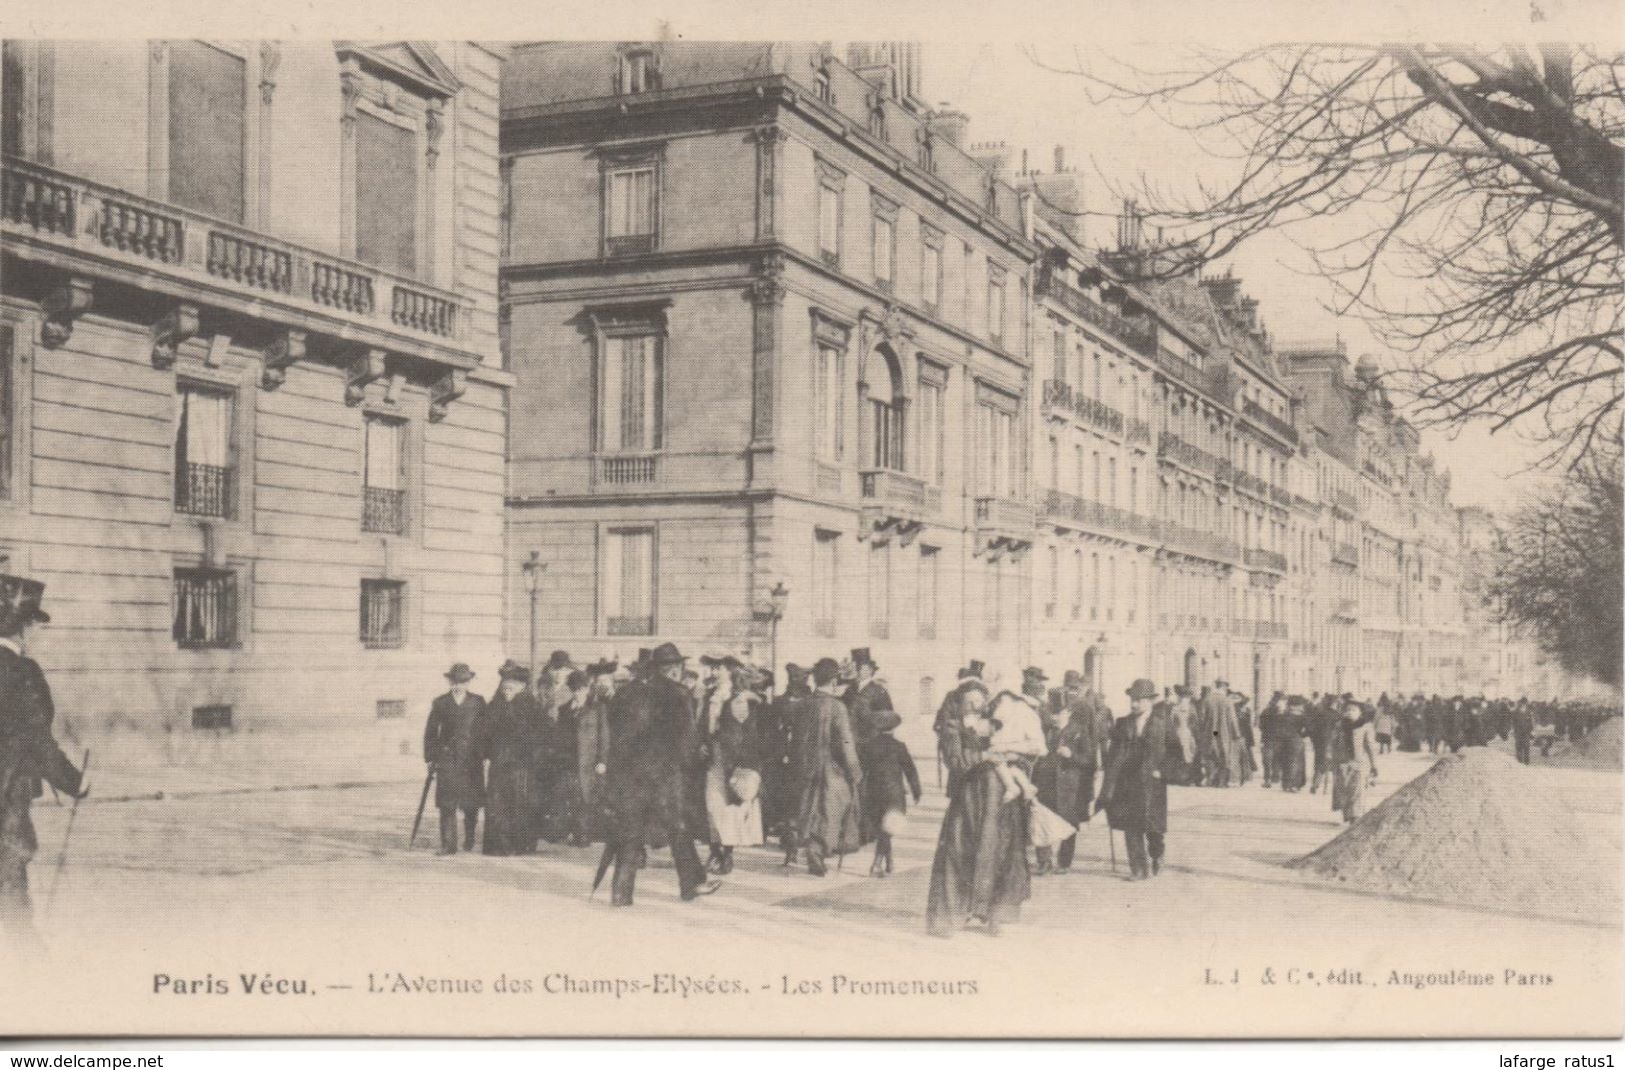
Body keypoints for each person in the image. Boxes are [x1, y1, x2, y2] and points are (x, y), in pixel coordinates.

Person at [0, 576, 85, 952]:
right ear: (24, 626)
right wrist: (73, 781)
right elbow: (36, 740)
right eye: (35, 623)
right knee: (10, 870)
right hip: (6, 790)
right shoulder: (22, 672)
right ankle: (28, 964)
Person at [604, 643, 718, 906]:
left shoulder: (625, 694)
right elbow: (686, 741)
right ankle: (691, 884)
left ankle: (621, 893)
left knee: (630, 831)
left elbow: (616, 734)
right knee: (679, 829)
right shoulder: (679, 694)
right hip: (665, 776)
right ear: (675, 669)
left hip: (631, 776)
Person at [925, 680, 1031, 938]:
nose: (975, 705)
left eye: (980, 700)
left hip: (1000, 799)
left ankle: (997, 915)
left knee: (1001, 852)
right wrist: (985, 756)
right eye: (969, 701)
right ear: (959, 703)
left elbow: (1024, 752)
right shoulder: (952, 728)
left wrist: (1013, 755)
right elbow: (956, 762)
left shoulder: (996, 724)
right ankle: (947, 918)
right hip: (969, 797)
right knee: (958, 853)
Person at [786, 658, 863, 877]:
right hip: (829, 767)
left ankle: (810, 846)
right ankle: (818, 850)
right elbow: (846, 741)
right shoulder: (837, 707)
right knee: (831, 807)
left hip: (802, 766)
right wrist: (854, 770)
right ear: (834, 680)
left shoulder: (802, 704)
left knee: (807, 807)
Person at [1098, 678, 1175, 880]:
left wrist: (1163, 771)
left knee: (1152, 827)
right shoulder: (1122, 723)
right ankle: (1138, 869)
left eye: (1139, 700)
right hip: (1128, 782)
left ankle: (1157, 853)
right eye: (1132, 699)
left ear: (1149, 701)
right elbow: (1113, 753)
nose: (1134, 704)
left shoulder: (1163, 723)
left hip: (1152, 783)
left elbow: (1175, 752)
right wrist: (1110, 780)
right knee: (1131, 825)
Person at [1034, 685, 1106, 875]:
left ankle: (1064, 862)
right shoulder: (1045, 731)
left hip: (1070, 787)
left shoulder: (1080, 732)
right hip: (1046, 784)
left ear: (1069, 712)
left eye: (1059, 714)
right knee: (1042, 822)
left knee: (1068, 823)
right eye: (1052, 713)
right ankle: (1044, 861)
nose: (1054, 717)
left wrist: (1071, 755)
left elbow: (1089, 760)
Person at [704, 663, 766, 875]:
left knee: (727, 808)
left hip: (729, 758)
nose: (713, 672)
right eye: (713, 667)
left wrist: (738, 762)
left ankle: (726, 853)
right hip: (713, 757)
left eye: (718, 668)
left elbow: (740, 736)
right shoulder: (711, 694)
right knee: (712, 807)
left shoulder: (741, 699)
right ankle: (715, 851)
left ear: (729, 672)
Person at [482, 660, 545, 856]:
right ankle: (499, 845)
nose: (507, 689)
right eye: (505, 686)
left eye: (512, 686)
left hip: (521, 765)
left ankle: (521, 844)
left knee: (520, 801)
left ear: (522, 687)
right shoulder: (495, 706)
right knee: (497, 802)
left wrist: (531, 753)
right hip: (500, 763)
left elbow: (542, 734)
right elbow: (484, 732)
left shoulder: (532, 707)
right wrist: (486, 754)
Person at [423, 663, 487, 855]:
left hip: (471, 759)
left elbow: (484, 731)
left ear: (468, 682)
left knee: (471, 803)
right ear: (450, 682)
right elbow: (431, 732)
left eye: (463, 682)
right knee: (447, 803)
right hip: (447, 759)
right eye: (455, 682)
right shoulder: (440, 702)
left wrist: (484, 754)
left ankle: (469, 838)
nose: (458, 686)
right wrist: (431, 758)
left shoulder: (478, 702)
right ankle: (448, 845)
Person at [845, 649, 899, 850]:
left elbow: (889, 719)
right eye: (856, 666)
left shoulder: (879, 691)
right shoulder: (849, 690)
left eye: (862, 667)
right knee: (854, 786)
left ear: (870, 670)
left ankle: (869, 830)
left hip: (871, 744)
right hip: (851, 744)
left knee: (870, 788)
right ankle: (853, 831)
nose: (858, 670)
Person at [863, 717, 922, 878]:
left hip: (873, 793)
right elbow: (910, 770)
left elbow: (862, 770)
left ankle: (887, 862)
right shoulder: (899, 747)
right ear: (893, 729)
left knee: (882, 828)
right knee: (887, 828)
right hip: (894, 794)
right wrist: (917, 791)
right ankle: (877, 864)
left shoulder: (869, 746)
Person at [760, 664, 808, 845]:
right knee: (780, 792)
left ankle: (794, 833)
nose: (794, 683)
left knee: (797, 795)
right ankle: (785, 831)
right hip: (780, 754)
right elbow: (770, 729)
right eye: (792, 679)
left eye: (798, 679)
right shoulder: (779, 702)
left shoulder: (808, 702)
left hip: (799, 754)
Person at [934, 666, 987, 798]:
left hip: (964, 747)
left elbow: (940, 722)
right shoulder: (984, 694)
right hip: (969, 748)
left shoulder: (952, 695)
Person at [1329, 700, 1379, 824]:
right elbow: (1332, 744)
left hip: (1358, 763)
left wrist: (1374, 765)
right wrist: (1329, 759)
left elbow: (1370, 746)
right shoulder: (1338, 725)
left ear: (1360, 713)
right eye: (1347, 710)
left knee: (1357, 789)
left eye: (1354, 710)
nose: (1350, 712)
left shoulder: (1365, 726)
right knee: (1343, 789)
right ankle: (1348, 814)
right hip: (1341, 763)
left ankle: (1355, 817)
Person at [1277, 696, 1309, 792]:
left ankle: (1286, 784)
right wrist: (1302, 735)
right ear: (1296, 706)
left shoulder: (1283, 715)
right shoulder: (1302, 717)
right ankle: (1294, 785)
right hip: (1296, 740)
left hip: (1283, 741)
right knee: (1297, 762)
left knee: (1286, 761)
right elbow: (1309, 729)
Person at [1258, 694, 1282, 788]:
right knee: (1276, 758)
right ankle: (1275, 777)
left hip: (1267, 738)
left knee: (1266, 760)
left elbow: (1261, 726)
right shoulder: (1281, 713)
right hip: (1278, 738)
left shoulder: (1265, 711)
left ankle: (1267, 779)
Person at [1511, 698, 1535, 765]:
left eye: (1525, 703)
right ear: (1520, 703)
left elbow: (1531, 722)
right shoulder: (1516, 712)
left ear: (1526, 703)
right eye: (1522, 703)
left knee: (1526, 746)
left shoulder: (1529, 712)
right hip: (1518, 731)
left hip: (1527, 732)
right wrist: (1513, 730)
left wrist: (1532, 730)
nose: (1523, 704)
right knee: (1518, 746)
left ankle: (1526, 761)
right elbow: (1513, 722)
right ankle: (1519, 760)